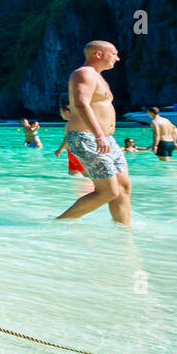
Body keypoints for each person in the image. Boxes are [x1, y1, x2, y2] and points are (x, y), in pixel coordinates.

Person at [55, 41, 131, 226]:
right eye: (114, 53)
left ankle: (124, 233)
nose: (117, 58)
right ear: (98, 54)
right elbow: (82, 104)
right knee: (108, 191)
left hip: (105, 138)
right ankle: (58, 224)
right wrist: (98, 135)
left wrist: (103, 136)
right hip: (87, 136)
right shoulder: (84, 73)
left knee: (123, 188)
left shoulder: (98, 76)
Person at [53, 104, 89, 179]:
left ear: (67, 112)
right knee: (73, 174)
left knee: (86, 175)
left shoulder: (72, 123)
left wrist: (59, 150)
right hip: (71, 152)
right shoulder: (74, 122)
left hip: (76, 153)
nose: (61, 114)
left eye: (61, 112)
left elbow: (68, 138)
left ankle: (94, 187)